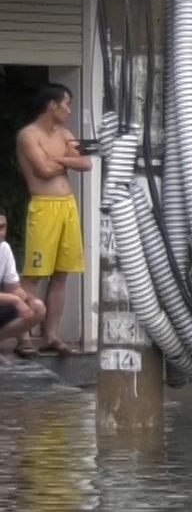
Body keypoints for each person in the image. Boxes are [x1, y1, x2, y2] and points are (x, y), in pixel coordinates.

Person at [16, 83, 89, 355]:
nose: (69, 110)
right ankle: (23, 336)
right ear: (52, 105)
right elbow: (43, 170)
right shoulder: (28, 135)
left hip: (67, 206)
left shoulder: (65, 134)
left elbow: (86, 164)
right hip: (44, 206)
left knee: (62, 274)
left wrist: (60, 157)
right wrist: (67, 158)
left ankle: (52, 335)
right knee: (35, 273)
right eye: (66, 104)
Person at [0, 212, 47, 357]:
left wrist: (27, 299)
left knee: (37, 308)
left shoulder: (4, 248)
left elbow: (13, 286)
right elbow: (13, 296)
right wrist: (15, 300)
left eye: (2, 227)